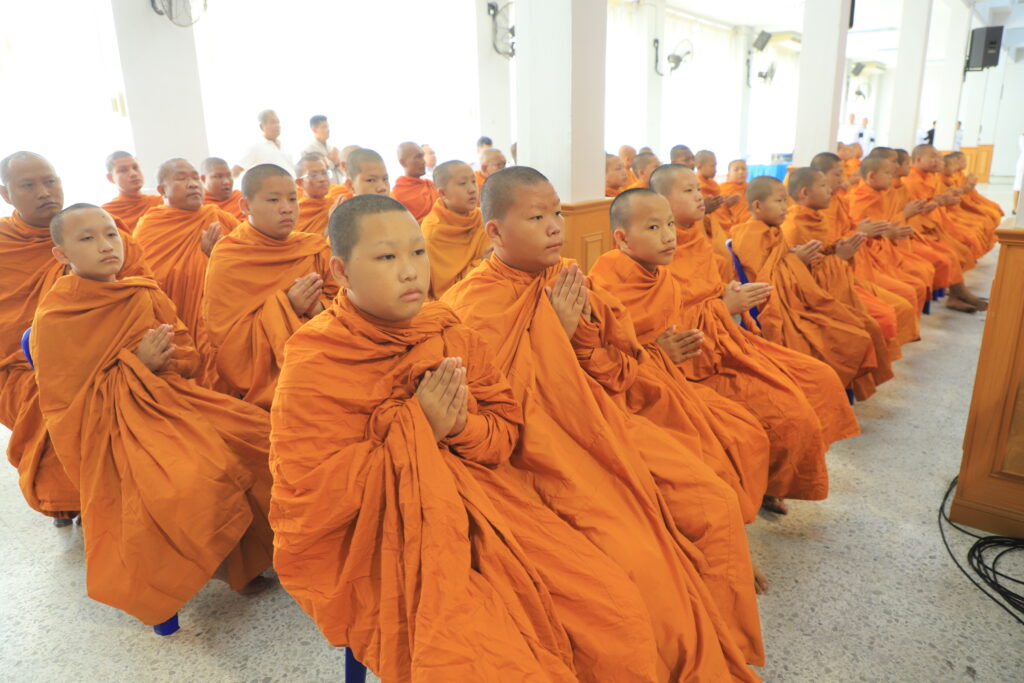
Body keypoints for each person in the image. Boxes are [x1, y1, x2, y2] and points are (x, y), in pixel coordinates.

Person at [270, 193, 667, 681]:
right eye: (386, 257)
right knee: (483, 658)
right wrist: (419, 428)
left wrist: (459, 426)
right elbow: (311, 504)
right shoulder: (315, 361)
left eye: (417, 252)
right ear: (341, 271)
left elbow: (505, 431)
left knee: (615, 613)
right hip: (391, 540)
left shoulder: (447, 331)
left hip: (492, 504)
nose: (411, 271)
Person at [442, 167, 761, 679]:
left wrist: (576, 337)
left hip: (603, 419)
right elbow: (494, 412)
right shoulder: (469, 305)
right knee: (639, 559)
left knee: (714, 501)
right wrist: (553, 331)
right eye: (536, 218)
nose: (554, 226)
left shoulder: (570, 278)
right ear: (495, 231)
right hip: (535, 453)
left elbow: (620, 371)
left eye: (556, 213)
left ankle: (726, 637)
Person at [34, 202, 273, 628]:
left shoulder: (143, 292)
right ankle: (201, 571)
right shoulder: (57, 315)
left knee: (261, 436)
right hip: (113, 429)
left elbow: (190, 356)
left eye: (110, 234)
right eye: (87, 238)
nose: (105, 245)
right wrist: (136, 365)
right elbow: (66, 406)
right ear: (61, 254)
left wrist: (165, 360)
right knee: (194, 478)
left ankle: (247, 560)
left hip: (174, 401)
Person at [636, 164, 859, 514]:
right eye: (688, 191)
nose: (700, 196)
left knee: (819, 378)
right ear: (660, 201)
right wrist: (724, 306)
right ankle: (769, 484)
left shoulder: (698, 238)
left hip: (728, 339)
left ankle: (776, 478)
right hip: (696, 361)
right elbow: (664, 326)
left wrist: (729, 299)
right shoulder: (649, 251)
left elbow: (715, 289)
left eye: (698, 189)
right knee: (789, 413)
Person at [0, 152, 141, 524]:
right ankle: (72, 498)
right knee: (45, 402)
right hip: (22, 368)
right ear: (7, 194)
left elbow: (142, 296)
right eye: (28, 185)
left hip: (110, 357)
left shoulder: (103, 235)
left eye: (50, 181)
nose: (44, 191)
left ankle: (115, 498)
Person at [730, 176, 880, 395]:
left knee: (856, 326)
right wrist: (795, 260)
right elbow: (764, 282)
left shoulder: (773, 230)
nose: (785, 207)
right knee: (849, 336)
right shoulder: (750, 235)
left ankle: (840, 392)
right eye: (779, 201)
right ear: (758, 206)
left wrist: (797, 259)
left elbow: (778, 266)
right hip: (778, 309)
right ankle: (833, 394)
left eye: (785, 200)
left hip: (796, 300)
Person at [204, 164, 337, 409]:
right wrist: (288, 306)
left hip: (326, 363)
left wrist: (317, 308)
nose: (286, 208)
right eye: (274, 200)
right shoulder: (229, 256)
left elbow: (348, 305)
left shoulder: (314, 247)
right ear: (246, 206)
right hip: (264, 387)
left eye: (292, 199)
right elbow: (226, 341)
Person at [782, 168, 895, 400]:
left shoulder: (818, 218)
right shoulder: (793, 227)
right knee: (862, 329)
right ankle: (844, 389)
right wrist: (839, 258)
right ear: (804, 193)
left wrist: (838, 251)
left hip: (832, 287)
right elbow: (798, 279)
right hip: (807, 300)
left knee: (871, 322)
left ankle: (851, 387)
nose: (831, 190)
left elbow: (820, 257)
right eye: (824, 186)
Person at [133, 158, 240, 387]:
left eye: (195, 178)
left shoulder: (219, 218)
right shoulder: (150, 227)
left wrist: (218, 259)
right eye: (181, 178)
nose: (192, 184)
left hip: (218, 326)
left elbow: (249, 267)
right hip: (177, 332)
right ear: (162, 190)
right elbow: (146, 285)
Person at [810, 152, 919, 351]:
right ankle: (882, 356)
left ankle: (887, 352)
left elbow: (850, 233)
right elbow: (826, 250)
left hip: (861, 261)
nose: (843, 180)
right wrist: (864, 233)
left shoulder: (838, 201)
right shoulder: (810, 216)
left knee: (909, 292)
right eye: (837, 175)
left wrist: (880, 232)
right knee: (894, 306)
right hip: (838, 273)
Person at [420, 160, 488, 299]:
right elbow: (445, 289)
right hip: (456, 300)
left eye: (473, 181)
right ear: (443, 193)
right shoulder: (434, 231)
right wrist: (483, 263)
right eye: (463, 183)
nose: (472, 189)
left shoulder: (483, 218)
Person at [101, 151, 163, 231]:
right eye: (123, 170)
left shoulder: (161, 202)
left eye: (135, 167)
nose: (133, 173)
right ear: (110, 178)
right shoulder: (106, 213)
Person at [232, 110, 292, 177]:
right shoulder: (256, 147)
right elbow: (236, 169)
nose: (277, 126)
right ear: (262, 126)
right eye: (273, 122)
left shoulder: (285, 147)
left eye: (278, 122)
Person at [391, 142, 439, 222]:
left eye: (422, 156)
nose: (423, 162)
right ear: (402, 162)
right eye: (418, 157)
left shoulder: (431, 185)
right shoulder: (397, 195)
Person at [695, 151, 741, 229]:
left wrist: (727, 203)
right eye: (712, 166)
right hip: (708, 225)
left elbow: (720, 208)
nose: (715, 170)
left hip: (722, 221)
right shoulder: (696, 185)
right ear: (700, 167)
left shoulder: (714, 184)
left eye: (715, 166)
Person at [293, 154, 333, 237]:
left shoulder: (335, 203)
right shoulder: (295, 213)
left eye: (324, 173)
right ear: (300, 182)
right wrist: (333, 220)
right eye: (313, 175)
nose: (322, 179)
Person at [301, 115, 342, 184]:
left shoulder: (332, 148)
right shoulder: (308, 150)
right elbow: (313, 172)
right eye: (324, 127)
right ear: (314, 130)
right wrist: (331, 161)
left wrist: (338, 163)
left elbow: (342, 171)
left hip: (338, 186)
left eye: (328, 127)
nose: (328, 130)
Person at [719, 159, 751, 226]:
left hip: (751, 221)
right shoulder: (722, 189)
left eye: (744, 169)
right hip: (730, 225)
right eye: (736, 170)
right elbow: (719, 212)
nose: (741, 172)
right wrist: (725, 204)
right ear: (728, 174)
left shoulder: (751, 187)